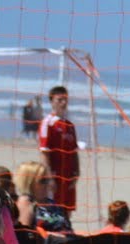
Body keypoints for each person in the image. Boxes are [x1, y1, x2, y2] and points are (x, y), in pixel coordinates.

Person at [37, 85, 80, 214]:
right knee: (53, 212)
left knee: (67, 212)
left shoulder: (70, 125)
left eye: (65, 99)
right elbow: (44, 153)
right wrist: (50, 178)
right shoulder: (48, 123)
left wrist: (77, 173)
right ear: (52, 101)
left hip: (68, 176)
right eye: (59, 99)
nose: (63, 102)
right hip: (55, 176)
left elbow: (74, 152)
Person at [12, 161, 71, 233]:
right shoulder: (26, 202)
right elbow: (24, 234)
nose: (47, 184)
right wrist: (50, 236)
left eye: (48, 180)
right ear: (30, 183)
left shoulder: (51, 202)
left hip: (68, 241)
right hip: (48, 243)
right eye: (43, 181)